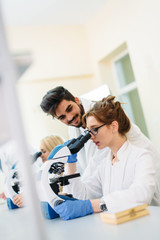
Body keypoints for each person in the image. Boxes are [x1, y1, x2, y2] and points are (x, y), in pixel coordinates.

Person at [52, 96, 160, 220]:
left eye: (94, 129)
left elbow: (141, 194)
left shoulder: (142, 156)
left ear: (114, 126)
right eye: (88, 131)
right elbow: (83, 196)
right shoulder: (105, 164)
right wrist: (71, 163)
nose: (91, 137)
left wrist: (93, 205)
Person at [40, 86, 160, 182]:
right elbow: (84, 165)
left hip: (144, 170)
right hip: (123, 176)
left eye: (69, 109)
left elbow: (97, 161)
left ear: (76, 100)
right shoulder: (74, 127)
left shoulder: (99, 114)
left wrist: (77, 188)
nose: (70, 117)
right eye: (62, 117)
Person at [12, 135, 64, 207]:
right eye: (40, 152)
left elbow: (59, 193)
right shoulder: (45, 170)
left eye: (44, 152)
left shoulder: (66, 168)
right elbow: (39, 188)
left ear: (54, 150)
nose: (41, 156)